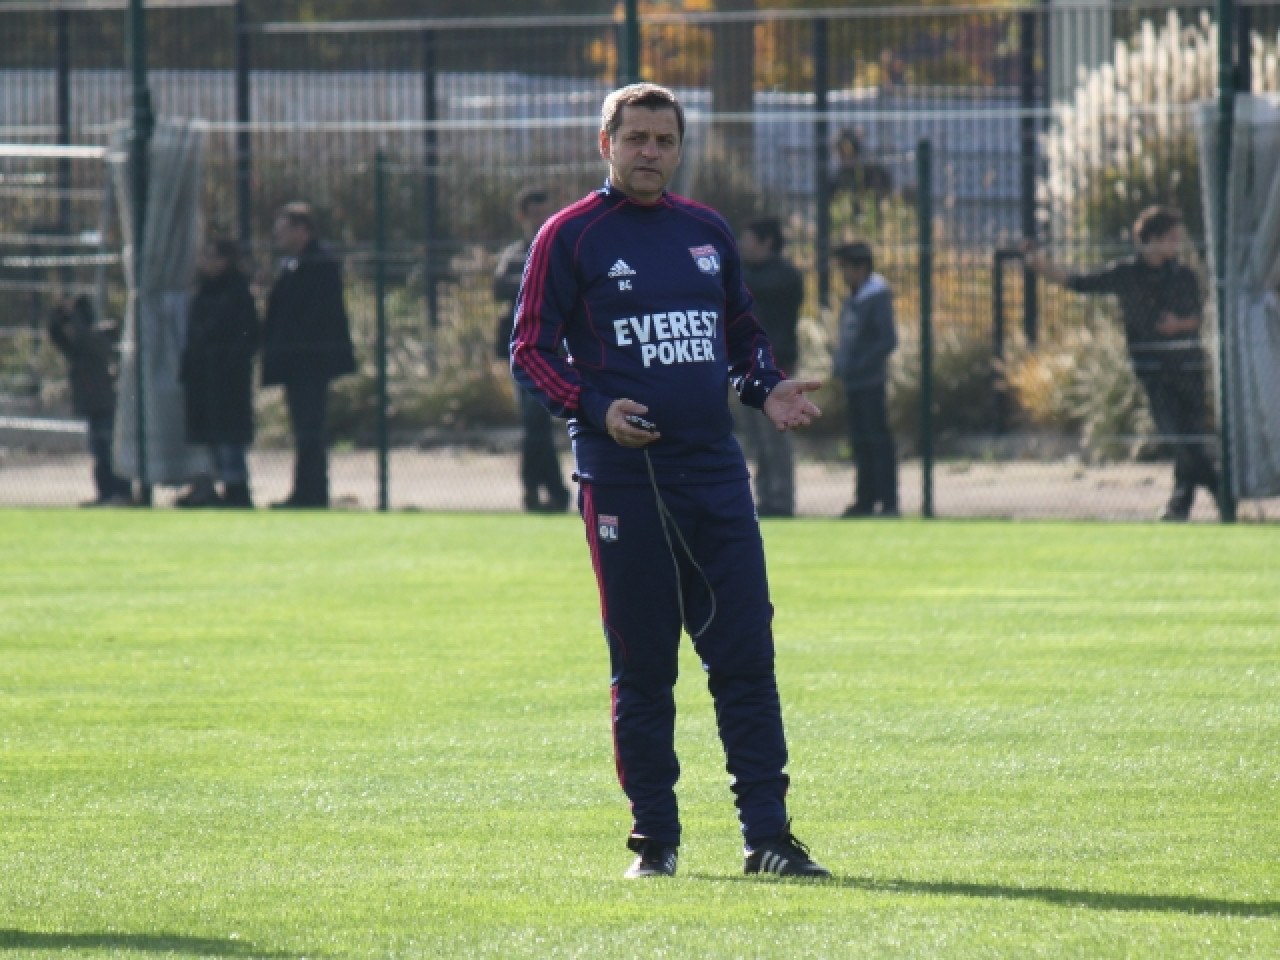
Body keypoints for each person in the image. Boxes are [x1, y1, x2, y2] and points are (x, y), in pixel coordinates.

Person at [510, 82, 830, 880]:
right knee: (646, 667)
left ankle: (769, 839)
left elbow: (742, 337)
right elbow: (530, 349)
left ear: (679, 149)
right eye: (637, 137)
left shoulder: (706, 231)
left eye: (665, 139)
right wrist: (592, 406)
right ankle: (656, 842)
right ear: (605, 143)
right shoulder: (571, 236)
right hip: (625, 484)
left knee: (747, 660)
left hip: (718, 478)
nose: (650, 151)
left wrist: (766, 386)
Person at [1024, 206, 1221, 521]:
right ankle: (1220, 490)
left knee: (1190, 440)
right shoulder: (1126, 274)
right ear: (1151, 240)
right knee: (1177, 438)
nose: (1176, 245)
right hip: (1154, 370)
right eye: (1170, 238)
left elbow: (1197, 318)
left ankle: (1180, 507)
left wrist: (1178, 326)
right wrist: (1040, 267)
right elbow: (1079, 282)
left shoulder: (1183, 275)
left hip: (1188, 367)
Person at [261, 203, 356, 509]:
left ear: (302, 230)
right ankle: (305, 492)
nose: (278, 235)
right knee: (304, 429)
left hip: (311, 362)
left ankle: (311, 494)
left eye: (284, 228)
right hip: (297, 362)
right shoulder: (294, 264)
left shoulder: (319, 263)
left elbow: (315, 316)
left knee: (310, 429)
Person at [493, 185, 571, 513]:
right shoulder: (515, 255)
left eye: (547, 213)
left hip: (555, 349)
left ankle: (546, 492)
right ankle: (542, 492)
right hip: (523, 352)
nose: (543, 220)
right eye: (536, 215)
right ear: (521, 217)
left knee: (537, 422)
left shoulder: (561, 251)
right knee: (534, 421)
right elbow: (499, 287)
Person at [179, 236, 260, 508]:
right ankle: (210, 488)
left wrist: (227, 361)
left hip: (228, 379)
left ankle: (237, 488)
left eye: (212, 256)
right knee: (208, 437)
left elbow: (249, 336)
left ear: (226, 261)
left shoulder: (237, 292)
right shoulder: (202, 291)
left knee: (229, 436)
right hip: (202, 377)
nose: (206, 263)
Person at [737, 216, 803, 517]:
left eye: (749, 239)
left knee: (775, 434)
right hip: (747, 367)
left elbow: (755, 289)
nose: (742, 245)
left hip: (775, 366)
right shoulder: (747, 274)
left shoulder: (785, 276)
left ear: (768, 242)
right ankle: (765, 498)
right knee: (756, 437)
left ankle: (781, 499)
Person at [833, 241, 899, 517]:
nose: (843, 274)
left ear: (862, 268)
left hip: (870, 382)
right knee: (860, 441)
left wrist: (860, 363)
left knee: (877, 440)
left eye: (847, 268)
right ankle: (865, 500)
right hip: (853, 382)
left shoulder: (877, 296)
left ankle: (888, 501)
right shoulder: (853, 298)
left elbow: (887, 340)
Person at [46, 294, 132, 506]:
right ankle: (106, 494)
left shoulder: (94, 340)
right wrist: (57, 314)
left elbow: (81, 336)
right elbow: (56, 335)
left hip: (105, 404)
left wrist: (74, 315)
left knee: (111, 451)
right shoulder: (76, 348)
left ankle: (121, 493)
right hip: (92, 406)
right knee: (99, 453)